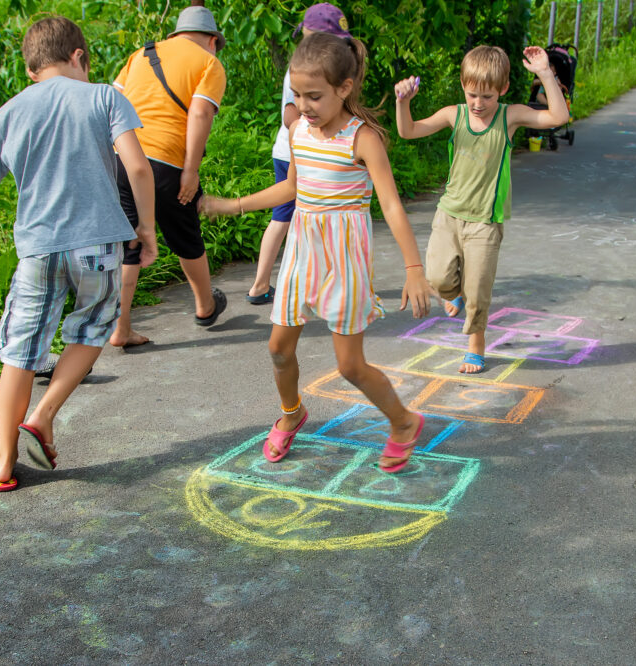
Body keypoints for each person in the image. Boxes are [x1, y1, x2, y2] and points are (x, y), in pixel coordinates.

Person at [0, 17, 157, 491]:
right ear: (79, 56)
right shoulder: (103, 96)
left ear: (32, 69)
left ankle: (4, 459)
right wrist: (146, 227)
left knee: (21, 351)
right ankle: (43, 414)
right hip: (98, 246)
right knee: (95, 327)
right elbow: (137, 166)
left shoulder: (11, 111)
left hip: (37, 250)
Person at [201, 32, 431, 473]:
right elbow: (293, 186)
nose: (304, 105)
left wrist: (414, 268)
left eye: (314, 96)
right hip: (303, 252)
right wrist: (234, 205)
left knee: (350, 366)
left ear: (344, 88)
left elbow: (392, 206)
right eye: (297, 94)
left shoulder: (362, 139)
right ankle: (292, 413)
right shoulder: (297, 130)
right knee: (278, 350)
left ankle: (403, 423)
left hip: (344, 257)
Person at [394, 45, 569, 374]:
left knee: (478, 290)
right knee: (438, 276)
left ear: (502, 90)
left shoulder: (510, 115)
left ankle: (475, 345)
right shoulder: (454, 114)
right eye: (472, 94)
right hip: (449, 215)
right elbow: (408, 131)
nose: (478, 103)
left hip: (485, 223)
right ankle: (454, 294)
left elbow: (559, 117)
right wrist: (402, 103)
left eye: (487, 97)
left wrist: (546, 73)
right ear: (463, 85)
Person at [112, 2, 229, 345]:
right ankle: (205, 306)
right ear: (212, 40)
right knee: (185, 232)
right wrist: (190, 170)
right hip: (167, 163)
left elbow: (111, 101)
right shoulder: (209, 62)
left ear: (176, 33)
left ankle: (120, 328)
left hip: (122, 156)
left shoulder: (140, 55)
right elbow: (200, 115)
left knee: (130, 240)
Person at [246, 2, 352, 306]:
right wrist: (310, 139)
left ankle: (270, 284)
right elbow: (289, 114)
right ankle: (263, 284)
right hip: (297, 153)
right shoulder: (304, 71)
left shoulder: (318, 69)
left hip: (299, 151)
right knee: (292, 216)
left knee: (294, 216)